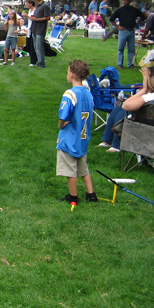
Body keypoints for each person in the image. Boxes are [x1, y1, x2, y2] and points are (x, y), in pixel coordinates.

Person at [57, 59, 97, 205]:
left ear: (72, 74)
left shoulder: (70, 94)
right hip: (83, 137)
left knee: (70, 169)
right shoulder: (88, 93)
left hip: (70, 137)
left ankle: (73, 196)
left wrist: (61, 125)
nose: (67, 74)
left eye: (68, 71)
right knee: (83, 167)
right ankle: (91, 194)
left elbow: (63, 115)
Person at [109, 0, 144, 68]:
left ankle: (130, 64)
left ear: (129, 1)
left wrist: (137, 23)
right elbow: (111, 18)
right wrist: (117, 26)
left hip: (131, 30)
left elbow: (142, 16)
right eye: (124, 0)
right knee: (120, 48)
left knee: (131, 48)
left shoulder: (134, 10)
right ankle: (120, 64)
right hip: (123, 30)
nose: (125, 1)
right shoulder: (120, 10)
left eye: (127, 0)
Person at [28, 0, 51, 68]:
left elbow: (47, 17)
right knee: (35, 47)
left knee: (39, 47)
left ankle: (41, 63)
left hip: (40, 30)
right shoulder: (37, 6)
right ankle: (39, 61)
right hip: (34, 29)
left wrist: (37, 19)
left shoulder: (45, 6)